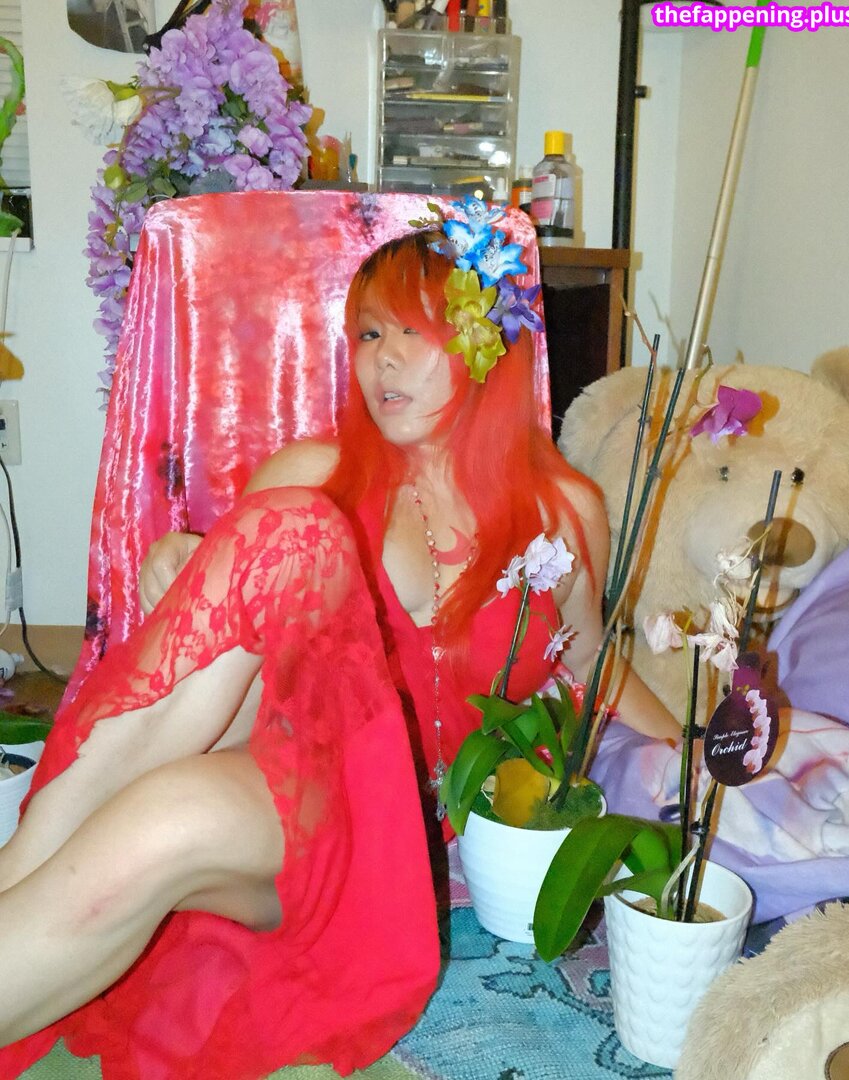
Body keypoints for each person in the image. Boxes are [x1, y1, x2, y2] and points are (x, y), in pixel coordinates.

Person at [0, 215, 678, 1080]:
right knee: (161, 817)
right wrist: (189, 558)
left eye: (412, 331)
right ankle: (18, 863)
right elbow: (231, 646)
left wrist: (694, 746)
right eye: (367, 334)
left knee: (164, 818)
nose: (382, 360)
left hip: (398, 843)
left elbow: (589, 661)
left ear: (486, 344)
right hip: (291, 788)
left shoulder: (564, 513)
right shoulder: (310, 475)